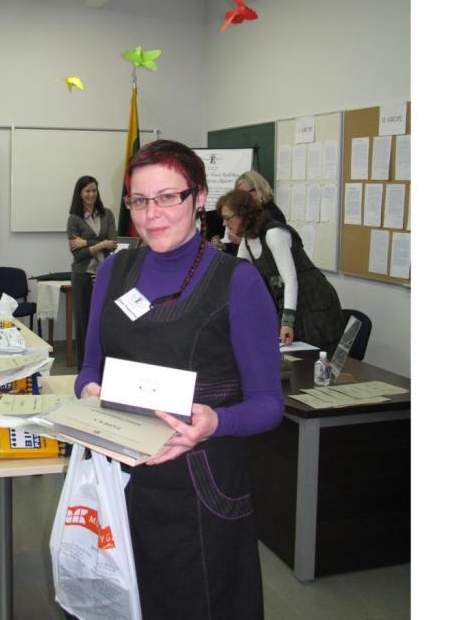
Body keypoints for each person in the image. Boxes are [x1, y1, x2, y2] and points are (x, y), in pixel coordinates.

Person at [76, 139, 284, 620]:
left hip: (200, 484)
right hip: (119, 478)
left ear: (199, 197)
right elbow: (89, 367)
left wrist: (216, 422)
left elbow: (268, 403)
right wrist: (89, 390)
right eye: (140, 200)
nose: (152, 215)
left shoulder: (237, 281)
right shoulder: (115, 270)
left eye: (168, 197)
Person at [220, 188, 345, 352]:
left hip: (314, 303)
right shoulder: (247, 241)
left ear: (243, 215)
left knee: (315, 358)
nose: (224, 224)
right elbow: (238, 281)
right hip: (289, 303)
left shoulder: (274, 234)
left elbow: (290, 281)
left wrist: (287, 322)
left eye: (227, 218)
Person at [66, 175, 118, 370]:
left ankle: (103, 368)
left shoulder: (107, 214)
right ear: (80, 193)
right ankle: (84, 370)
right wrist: (101, 244)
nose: (91, 194)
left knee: (103, 322)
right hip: (83, 276)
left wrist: (87, 243)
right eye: (87, 191)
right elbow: (78, 254)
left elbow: (113, 243)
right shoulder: (74, 219)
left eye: (94, 190)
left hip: (105, 275)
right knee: (83, 324)